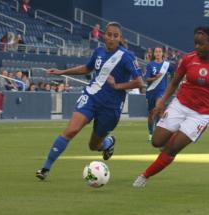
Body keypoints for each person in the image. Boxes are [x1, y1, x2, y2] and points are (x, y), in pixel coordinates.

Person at [36, 22, 143, 180]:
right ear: (103, 35)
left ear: (120, 38)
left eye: (115, 35)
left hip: (111, 107)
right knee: (71, 130)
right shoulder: (98, 51)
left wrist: (117, 85)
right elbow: (87, 68)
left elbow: (139, 82)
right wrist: (62, 72)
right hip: (91, 97)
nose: (112, 38)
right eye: (109, 34)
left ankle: (107, 144)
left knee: (93, 146)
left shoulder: (126, 56)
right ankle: (45, 168)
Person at [133, 26, 209, 187]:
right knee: (157, 141)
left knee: (172, 149)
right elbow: (174, 82)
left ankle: (144, 176)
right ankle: (172, 142)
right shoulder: (188, 59)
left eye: (200, 44)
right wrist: (162, 101)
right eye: (195, 43)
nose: (197, 47)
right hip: (180, 105)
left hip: (201, 114)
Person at [145, 47, 174, 143]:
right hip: (151, 91)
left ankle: (160, 134)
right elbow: (147, 79)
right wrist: (155, 78)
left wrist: (172, 83)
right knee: (151, 114)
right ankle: (150, 133)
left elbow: (174, 74)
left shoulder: (167, 65)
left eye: (159, 52)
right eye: (156, 52)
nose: (158, 53)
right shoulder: (150, 65)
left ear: (162, 54)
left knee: (159, 109)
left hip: (161, 91)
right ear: (153, 54)